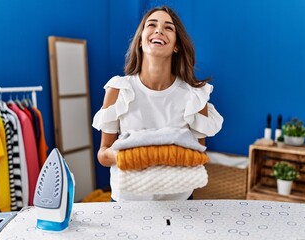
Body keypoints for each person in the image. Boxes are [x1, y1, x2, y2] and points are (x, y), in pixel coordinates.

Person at [92, 6, 223, 201]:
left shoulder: (195, 96)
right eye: (151, 25)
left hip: (179, 204)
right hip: (128, 202)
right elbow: (103, 154)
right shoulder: (119, 89)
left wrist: (151, 155)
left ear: (176, 45)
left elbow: (197, 158)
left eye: (168, 27)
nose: (159, 30)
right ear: (140, 40)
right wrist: (127, 157)